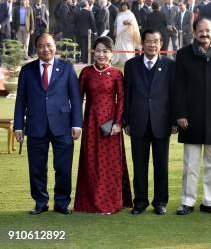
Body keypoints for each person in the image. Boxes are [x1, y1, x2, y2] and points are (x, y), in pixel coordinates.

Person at [13, 33, 83, 214]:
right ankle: (40, 202)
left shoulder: (67, 68)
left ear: (55, 46)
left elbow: (76, 99)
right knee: (36, 168)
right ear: (36, 49)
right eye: (42, 46)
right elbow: (20, 100)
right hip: (36, 125)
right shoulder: (27, 70)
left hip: (63, 125)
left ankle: (61, 203)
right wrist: (19, 126)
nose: (46, 49)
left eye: (49, 45)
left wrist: (77, 124)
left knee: (63, 168)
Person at [174, 18, 211, 216]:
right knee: (190, 163)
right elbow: (179, 87)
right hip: (190, 117)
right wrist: (180, 113)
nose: (204, 34)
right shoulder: (183, 55)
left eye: (208, 30)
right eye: (200, 31)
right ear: (194, 33)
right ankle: (187, 201)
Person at [74, 36, 132, 214]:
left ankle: (110, 203)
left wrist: (118, 123)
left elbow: (122, 99)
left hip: (110, 127)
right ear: (93, 52)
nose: (101, 54)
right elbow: (77, 99)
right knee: (91, 163)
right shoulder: (86, 73)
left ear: (111, 53)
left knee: (110, 164)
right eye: (98, 50)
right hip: (91, 124)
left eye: (105, 51)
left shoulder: (116, 74)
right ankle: (89, 203)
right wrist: (77, 123)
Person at [123, 30, 176, 215]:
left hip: (162, 122)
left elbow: (173, 96)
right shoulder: (131, 65)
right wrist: (126, 121)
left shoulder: (170, 65)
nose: (152, 45)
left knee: (161, 165)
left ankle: (160, 202)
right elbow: (126, 95)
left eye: (156, 41)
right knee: (139, 166)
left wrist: (174, 121)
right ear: (142, 44)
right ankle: (140, 202)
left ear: (161, 44)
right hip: (138, 122)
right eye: (148, 41)